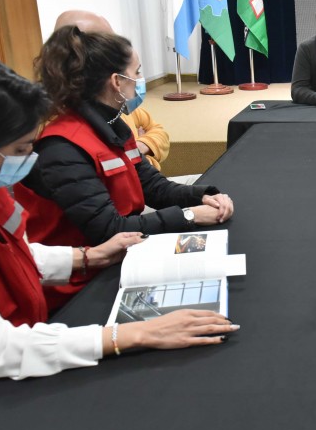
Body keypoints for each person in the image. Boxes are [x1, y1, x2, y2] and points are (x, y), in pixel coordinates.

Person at [0, 56, 238, 430]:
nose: (28, 160)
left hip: (15, 365)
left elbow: (10, 252)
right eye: (20, 149)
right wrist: (134, 334)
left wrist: (84, 257)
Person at [14, 26, 234, 309]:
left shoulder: (112, 124)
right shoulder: (62, 147)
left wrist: (201, 196)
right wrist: (189, 216)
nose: (140, 81)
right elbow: (108, 230)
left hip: (123, 255)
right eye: (137, 72)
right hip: (82, 285)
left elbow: (152, 186)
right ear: (117, 81)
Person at [53, 10, 199, 184]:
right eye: (106, 42)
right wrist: (136, 154)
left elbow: (160, 135)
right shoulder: (65, 131)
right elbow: (128, 180)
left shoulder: (118, 104)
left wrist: (138, 147)